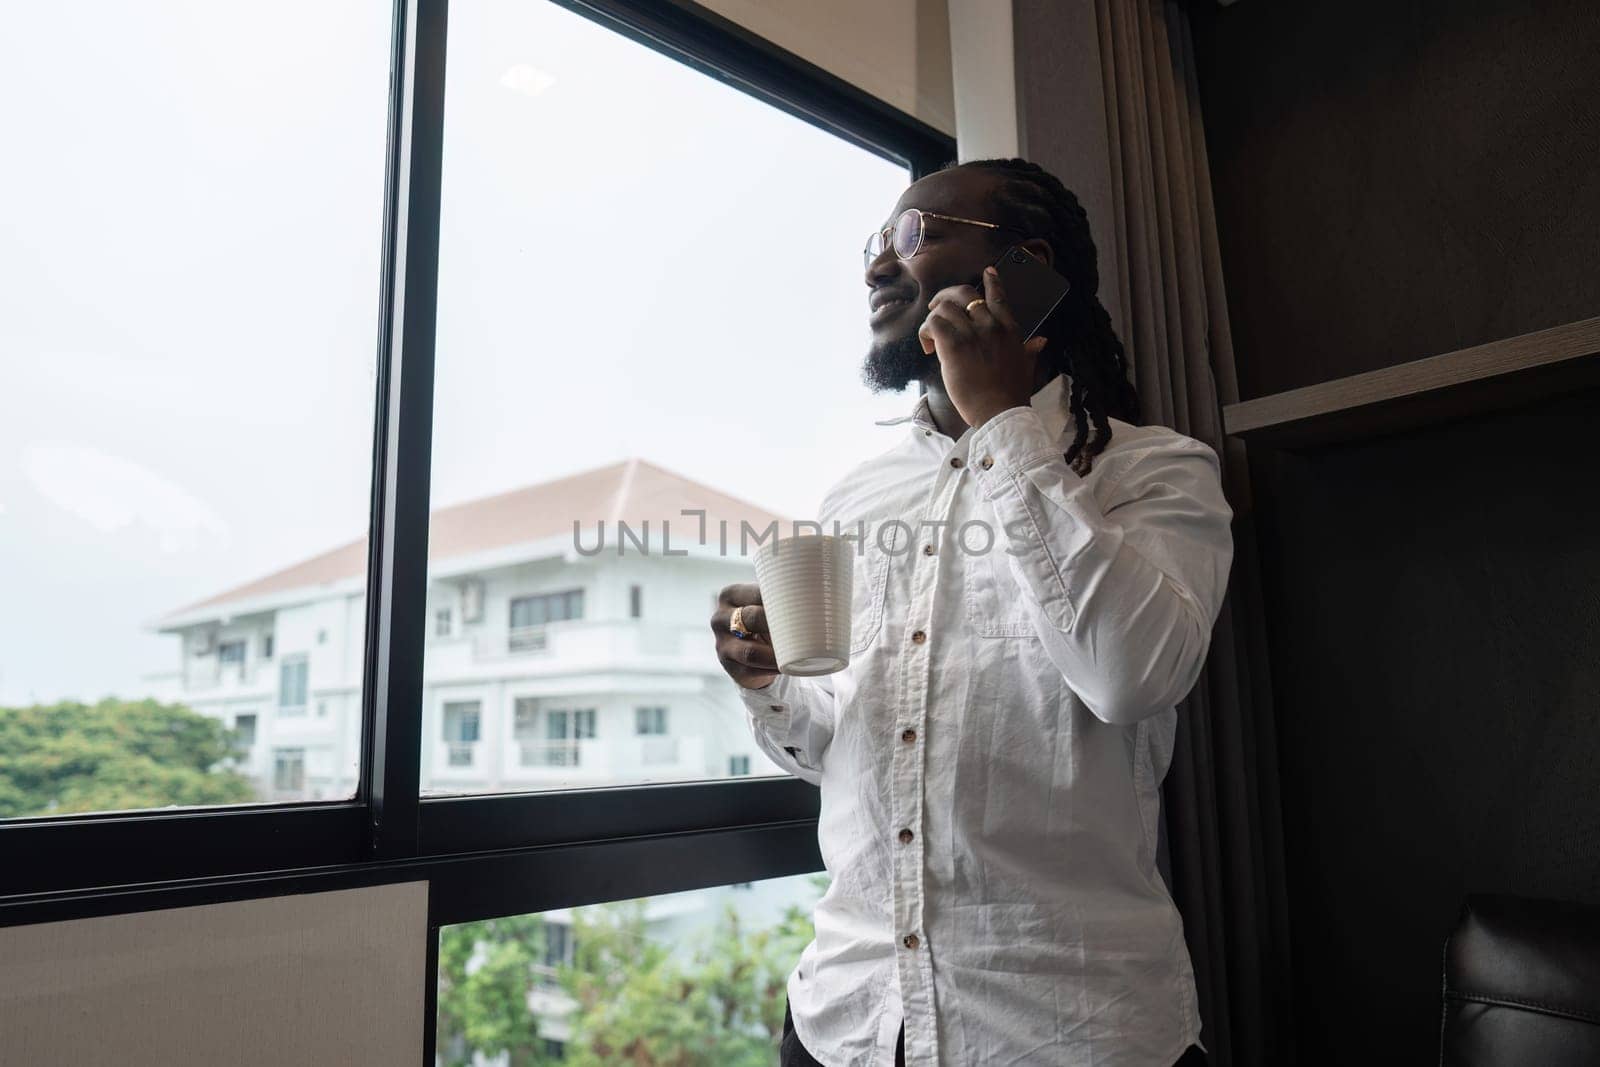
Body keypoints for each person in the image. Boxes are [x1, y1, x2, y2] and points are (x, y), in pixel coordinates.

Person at [712, 157, 1230, 1066]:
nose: (876, 265)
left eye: (911, 235)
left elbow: (1131, 677)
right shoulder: (858, 495)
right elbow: (837, 737)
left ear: (1021, 268)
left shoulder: (1154, 472)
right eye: (874, 243)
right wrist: (772, 688)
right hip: (847, 1020)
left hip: (1062, 1029)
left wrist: (997, 420)